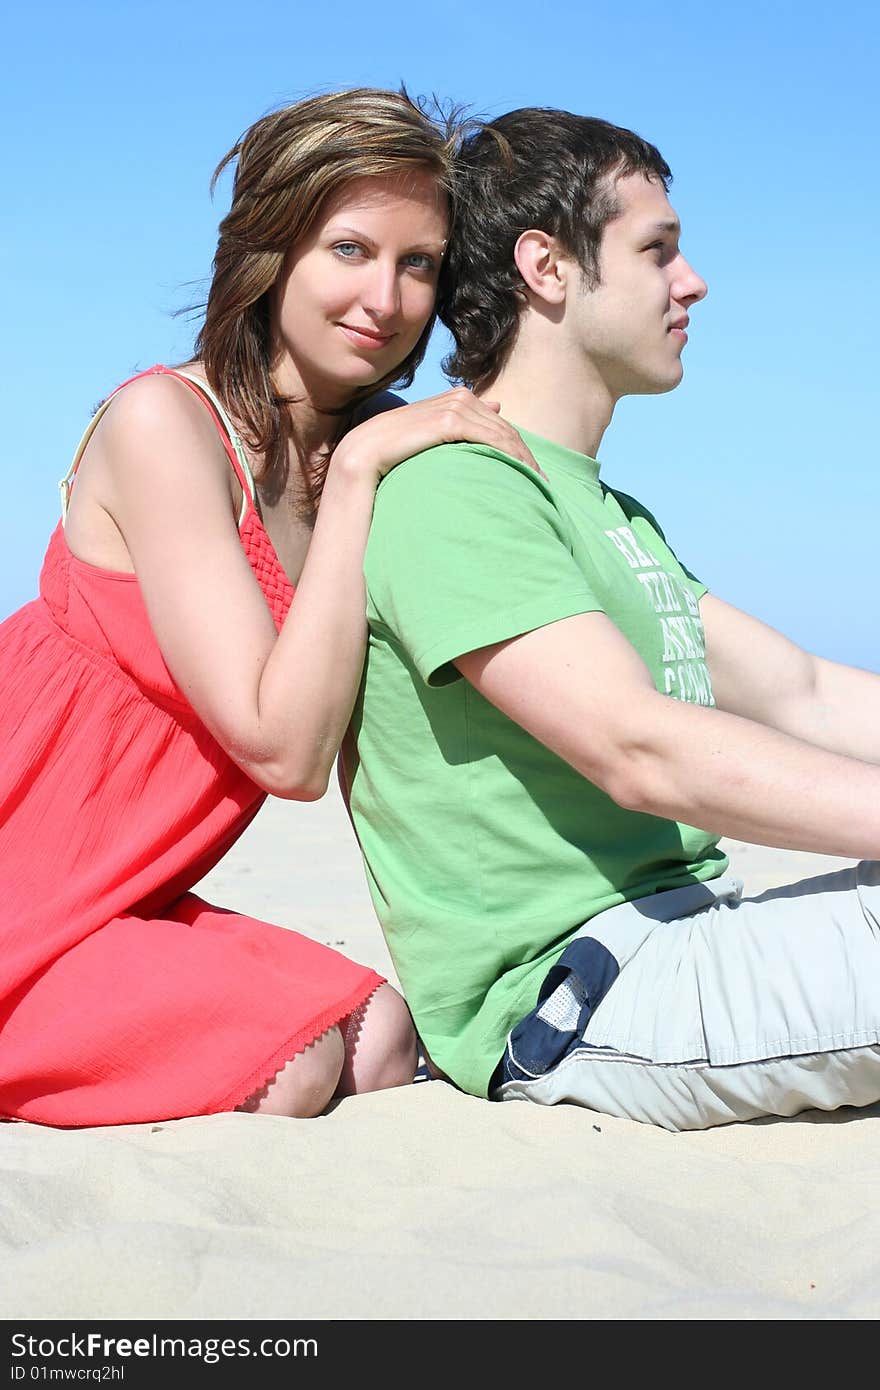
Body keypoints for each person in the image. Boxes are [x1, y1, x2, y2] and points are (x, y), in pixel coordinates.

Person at [0, 87, 536, 1128]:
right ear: (272, 250)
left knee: (381, 1039)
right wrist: (360, 474)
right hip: (23, 884)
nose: (384, 297)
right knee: (290, 1068)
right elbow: (282, 752)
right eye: (348, 248)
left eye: (417, 262)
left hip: (125, 898)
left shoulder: (379, 439)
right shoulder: (166, 422)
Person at [342, 106, 880, 1132]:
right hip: (592, 989)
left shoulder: (608, 511)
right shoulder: (454, 489)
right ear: (546, 267)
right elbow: (637, 749)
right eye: (657, 250)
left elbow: (802, 693)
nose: (692, 282)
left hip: (700, 935)